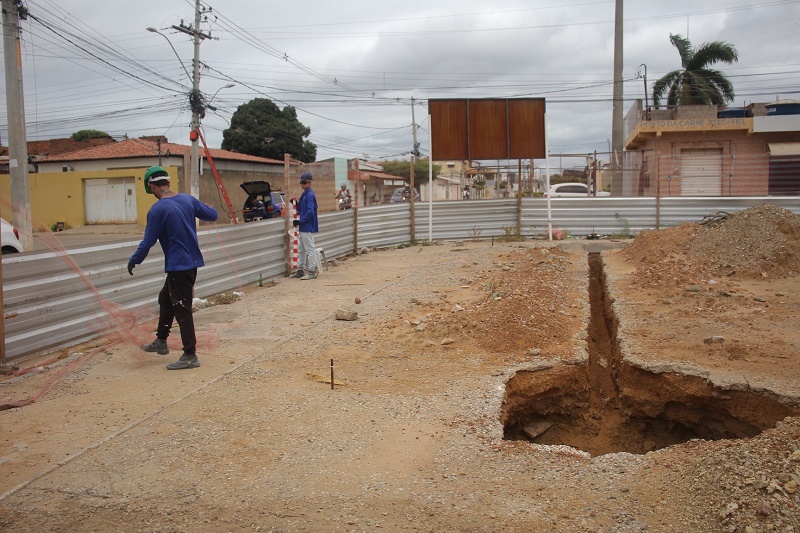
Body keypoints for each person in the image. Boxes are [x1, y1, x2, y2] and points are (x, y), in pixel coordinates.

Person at [128, 165, 219, 370]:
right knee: (165, 298)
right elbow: (212, 215)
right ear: (168, 183)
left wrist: (134, 260)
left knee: (181, 308)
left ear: (152, 187)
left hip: (179, 266)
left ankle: (190, 355)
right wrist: (203, 206)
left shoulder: (157, 210)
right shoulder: (187, 200)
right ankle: (161, 340)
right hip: (190, 264)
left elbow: (148, 242)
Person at [292, 171, 319, 280]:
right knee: (302, 249)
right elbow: (301, 209)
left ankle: (311, 271)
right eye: (301, 182)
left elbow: (310, 212)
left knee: (309, 249)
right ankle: (300, 270)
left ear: (309, 183)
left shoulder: (309, 195)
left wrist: (300, 221)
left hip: (306, 226)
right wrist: (295, 203)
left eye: (304, 183)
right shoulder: (305, 195)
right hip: (303, 226)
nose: (302, 185)